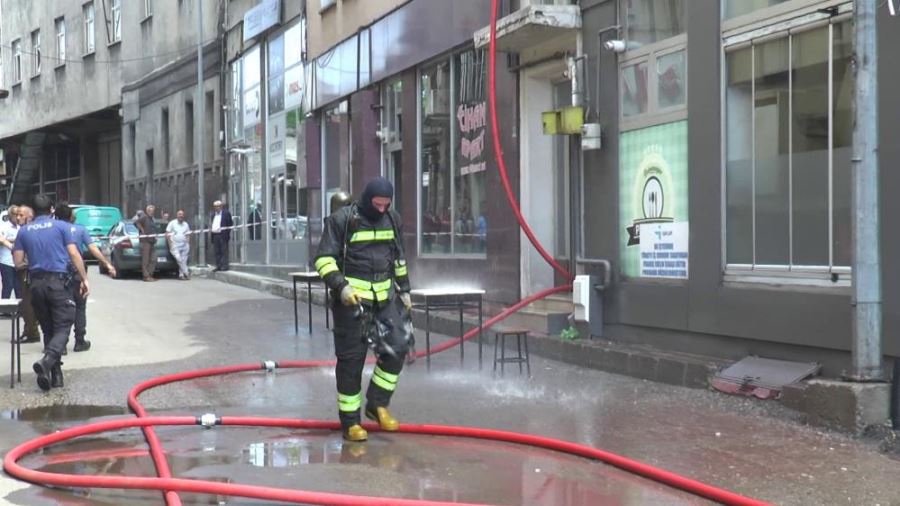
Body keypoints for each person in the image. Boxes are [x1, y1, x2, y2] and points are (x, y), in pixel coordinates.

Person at [315, 177, 413, 442]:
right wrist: (341, 287)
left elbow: (398, 257)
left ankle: (377, 404)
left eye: (386, 205)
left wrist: (404, 290)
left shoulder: (392, 219)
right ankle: (350, 423)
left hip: (385, 298)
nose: (381, 209)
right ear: (367, 199)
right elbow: (324, 259)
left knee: (398, 347)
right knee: (352, 361)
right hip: (353, 302)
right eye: (377, 204)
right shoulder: (343, 220)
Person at [13, 195, 89, 391]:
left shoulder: (23, 231)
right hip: (58, 282)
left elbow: (18, 262)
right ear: (51, 209)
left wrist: (36, 262)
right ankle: (48, 360)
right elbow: (73, 253)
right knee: (64, 323)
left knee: (48, 328)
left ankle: (55, 376)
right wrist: (84, 278)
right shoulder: (61, 227)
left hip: (36, 284)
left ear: (33, 211)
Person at [55, 203, 115, 353]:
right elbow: (92, 248)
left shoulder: (53, 229)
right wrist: (107, 263)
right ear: (70, 216)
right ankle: (80, 341)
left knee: (61, 309)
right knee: (80, 307)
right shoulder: (80, 229)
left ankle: (60, 344)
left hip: (57, 273)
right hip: (77, 272)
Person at [15, 206, 41, 343]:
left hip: (29, 271)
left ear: (29, 217)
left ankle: (32, 332)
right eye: (17, 215)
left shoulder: (27, 231)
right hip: (30, 270)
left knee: (28, 304)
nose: (17, 217)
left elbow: (20, 259)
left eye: (20, 215)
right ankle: (30, 330)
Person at [0, 205, 21, 299]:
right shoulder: (4, 227)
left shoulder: (20, 227)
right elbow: (1, 240)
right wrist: (11, 241)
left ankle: (20, 310)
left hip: (18, 262)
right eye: (15, 214)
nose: (17, 217)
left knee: (19, 287)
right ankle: (4, 310)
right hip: (6, 261)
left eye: (19, 214)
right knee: (8, 286)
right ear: (9, 215)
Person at [166, 210, 191, 280]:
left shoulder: (186, 224)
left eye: (182, 214)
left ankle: (181, 275)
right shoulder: (172, 223)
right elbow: (167, 233)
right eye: (179, 214)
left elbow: (188, 234)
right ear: (177, 215)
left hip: (184, 245)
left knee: (183, 260)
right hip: (175, 245)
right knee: (179, 259)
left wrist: (188, 244)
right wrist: (170, 244)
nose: (181, 216)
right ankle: (186, 273)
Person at [135, 204, 158, 282]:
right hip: (145, 241)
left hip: (152, 241)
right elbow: (136, 222)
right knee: (146, 260)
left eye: (153, 211)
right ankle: (146, 276)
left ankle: (150, 274)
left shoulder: (152, 219)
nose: (152, 212)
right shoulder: (144, 217)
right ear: (147, 211)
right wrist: (141, 229)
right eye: (150, 211)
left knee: (154, 258)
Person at [210, 200, 233, 271]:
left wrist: (226, 233)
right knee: (217, 251)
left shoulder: (226, 213)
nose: (216, 208)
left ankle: (225, 266)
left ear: (221, 206)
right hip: (215, 235)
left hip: (223, 235)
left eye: (218, 206)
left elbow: (230, 224)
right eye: (215, 207)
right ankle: (218, 265)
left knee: (224, 251)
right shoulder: (213, 214)